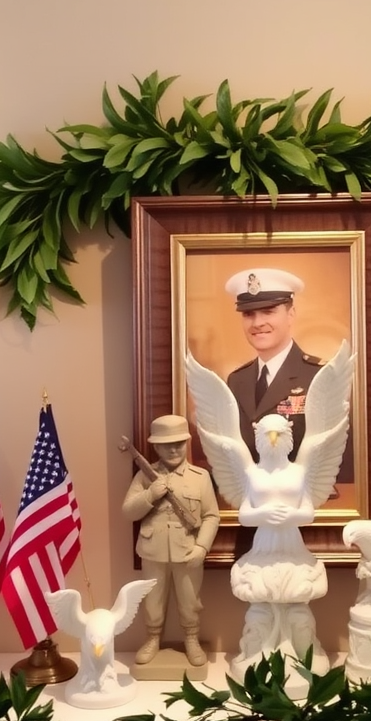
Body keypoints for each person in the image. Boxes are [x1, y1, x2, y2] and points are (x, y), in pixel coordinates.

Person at [224, 267, 352, 482]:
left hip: (304, 501)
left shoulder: (320, 376)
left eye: (268, 311)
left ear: (291, 314)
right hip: (248, 500)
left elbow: (342, 457)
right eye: (248, 314)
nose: (257, 323)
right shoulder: (237, 380)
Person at [122, 414, 220, 666]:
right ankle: (153, 638)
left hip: (188, 551)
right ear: (155, 446)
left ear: (187, 443)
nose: (174, 449)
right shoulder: (146, 475)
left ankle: (191, 638)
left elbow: (211, 516)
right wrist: (150, 495)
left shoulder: (200, 477)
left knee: (190, 600)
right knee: (153, 599)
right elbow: (128, 512)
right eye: (167, 444)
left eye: (179, 442)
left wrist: (202, 547)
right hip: (152, 550)